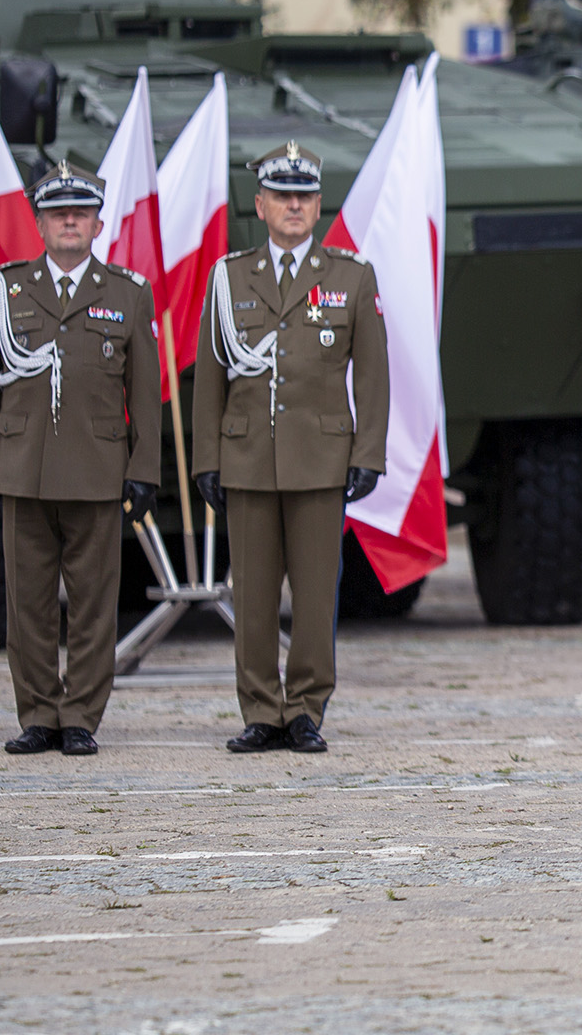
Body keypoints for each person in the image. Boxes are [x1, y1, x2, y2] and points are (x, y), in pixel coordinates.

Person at [191, 141, 390, 754]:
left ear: (318, 204)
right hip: (248, 457)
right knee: (252, 596)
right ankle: (260, 710)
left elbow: (373, 375)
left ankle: (305, 709)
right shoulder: (229, 278)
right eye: (282, 196)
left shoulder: (350, 276)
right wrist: (207, 459)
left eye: (304, 196)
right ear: (261, 206)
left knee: (315, 594)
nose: (294, 206)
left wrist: (367, 454)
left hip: (320, 460)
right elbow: (211, 377)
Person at [0, 163, 161, 757]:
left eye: (80, 212)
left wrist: (143, 470)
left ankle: (80, 716)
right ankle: (38, 715)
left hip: (97, 472)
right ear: (40, 224)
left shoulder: (127, 292)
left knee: (94, 606)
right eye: (57, 213)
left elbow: (145, 393)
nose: (69, 221)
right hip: (23, 468)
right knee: (27, 604)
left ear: (98, 224)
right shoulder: (7, 289)